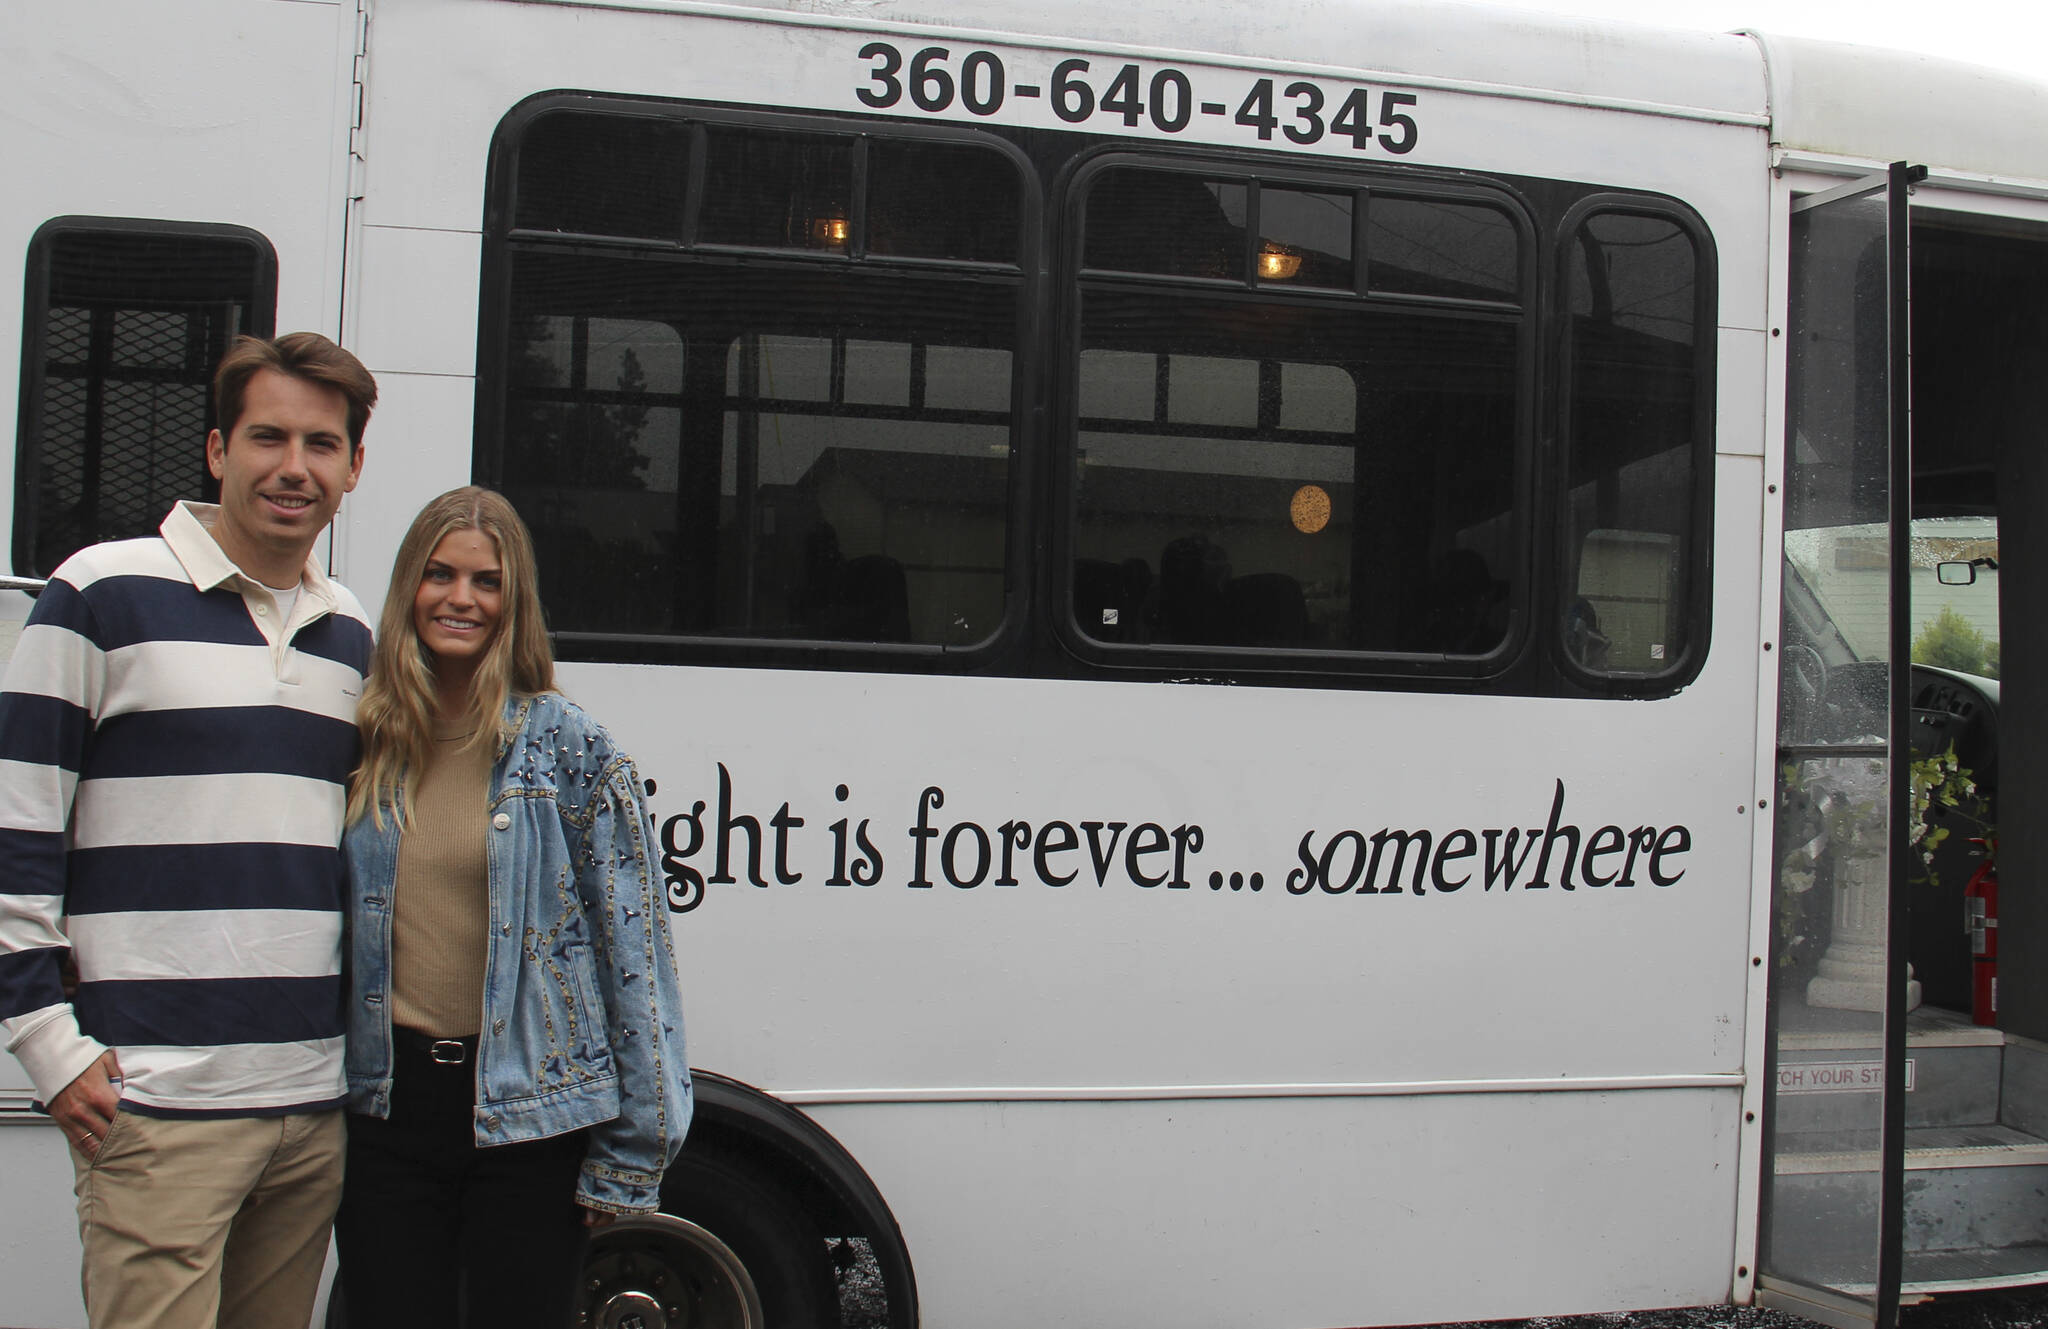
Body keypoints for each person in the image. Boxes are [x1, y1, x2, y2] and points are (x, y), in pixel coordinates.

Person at [0, 333, 377, 1328]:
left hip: (306, 1109)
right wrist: (48, 1044)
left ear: (352, 469)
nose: (293, 467)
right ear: (216, 450)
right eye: (268, 437)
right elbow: (16, 822)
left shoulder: (352, 638)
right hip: (160, 1105)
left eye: (322, 445)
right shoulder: (98, 594)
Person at [335, 486, 690, 1327]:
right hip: (385, 1110)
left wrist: (633, 1151)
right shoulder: (365, 736)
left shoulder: (568, 745)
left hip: (529, 1121)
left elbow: (634, 955)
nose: (461, 598)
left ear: (512, 600)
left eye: (485, 581)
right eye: (439, 575)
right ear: (407, 589)